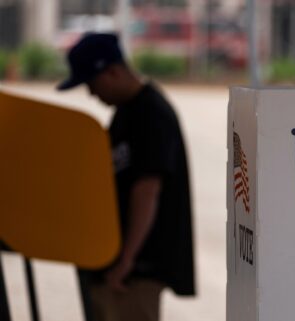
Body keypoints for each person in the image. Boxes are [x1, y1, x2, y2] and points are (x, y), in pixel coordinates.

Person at [57, 33, 195, 321]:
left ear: (113, 71)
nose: (92, 94)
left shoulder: (150, 114)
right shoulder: (128, 112)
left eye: (92, 84)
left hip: (134, 272)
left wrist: (126, 260)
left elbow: (147, 190)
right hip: (121, 266)